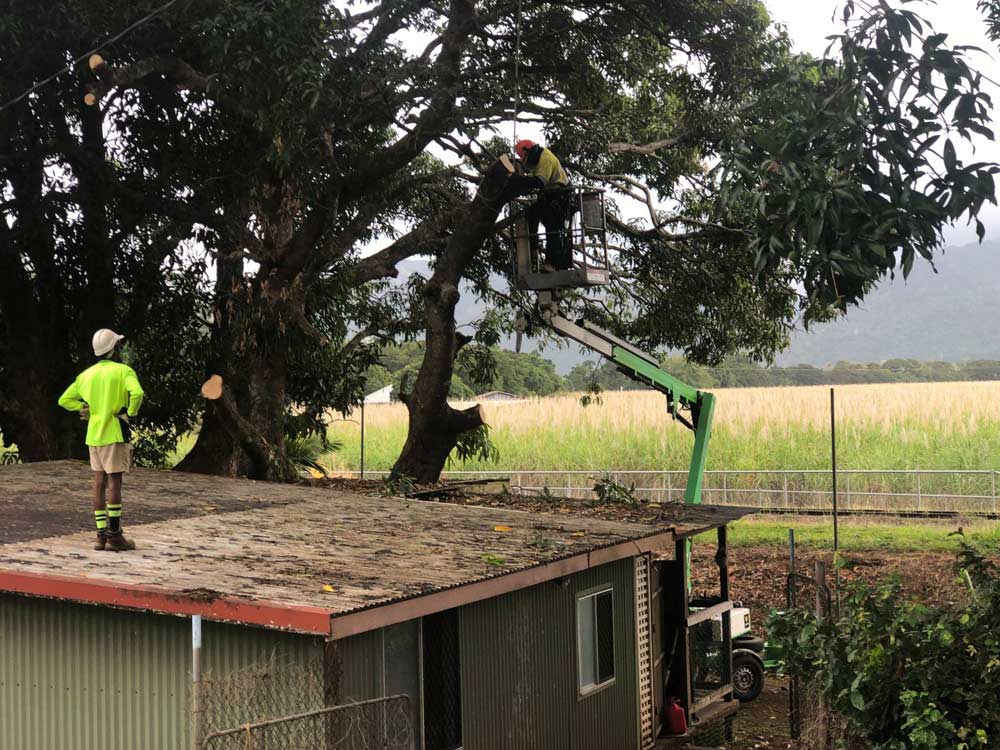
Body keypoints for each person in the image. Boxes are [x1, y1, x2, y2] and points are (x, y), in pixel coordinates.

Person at [58, 329, 144, 552]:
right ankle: (115, 536)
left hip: (93, 435)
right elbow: (138, 394)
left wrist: (82, 408)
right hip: (114, 432)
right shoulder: (123, 371)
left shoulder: (86, 375)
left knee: (98, 482)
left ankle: (100, 537)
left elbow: (64, 399)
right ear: (113, 349)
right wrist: (130, 413)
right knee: (114, 482)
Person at [514, 139, 574, 271]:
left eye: (526, 159)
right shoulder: (538, 161)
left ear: (530, 152)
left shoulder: (545, 158)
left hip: (560, 196)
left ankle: (552, 263)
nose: (527, 164)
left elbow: (539, 182)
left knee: (552, 226)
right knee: (531, 214)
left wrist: (519, 180)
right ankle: (533, 250)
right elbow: (533, 182)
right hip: (550, 195)